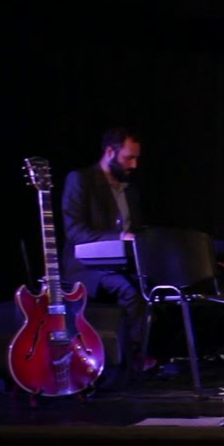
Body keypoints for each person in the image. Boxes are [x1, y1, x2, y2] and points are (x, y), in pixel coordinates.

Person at [60, 127, 151, 382]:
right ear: (110, 152)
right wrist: (118, 237)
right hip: (86, 267)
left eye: (136, 158)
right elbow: (75, 231)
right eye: (128, 158)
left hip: (121, 263)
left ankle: (144, 351)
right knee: (129, 291)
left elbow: (135, 230)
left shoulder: (129, 190)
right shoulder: (81, 180)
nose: (134, 165)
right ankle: (133, 357)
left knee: (155, 284)